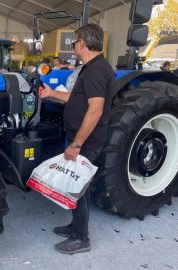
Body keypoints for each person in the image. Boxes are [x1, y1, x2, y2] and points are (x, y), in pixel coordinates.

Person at [39, 24, 114, 255]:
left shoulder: (97, 70)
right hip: (80, 139)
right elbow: (76, 97)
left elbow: (95, 111)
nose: (73, 47)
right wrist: (51, 93)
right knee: (78, 185)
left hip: (86, 142)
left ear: (82, 43)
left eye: (74, 43)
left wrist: (76, 144)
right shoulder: (90, 68)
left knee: (77, 187)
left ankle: (81, 238)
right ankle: (76, 226)